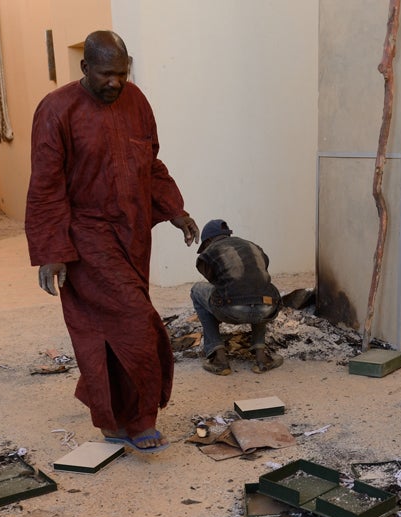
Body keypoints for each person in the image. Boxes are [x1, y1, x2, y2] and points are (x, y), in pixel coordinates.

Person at [25, 30, 199, 454]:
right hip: (86, 236)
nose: (115, 83)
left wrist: (175, 209)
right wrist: (52, 252)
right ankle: (140, 419)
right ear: (85, 68)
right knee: (138, 322)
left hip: (133, 234)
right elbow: (45, 185)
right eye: (106, 74)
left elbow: (150, 161)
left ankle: (112, 416)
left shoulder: (137, 102)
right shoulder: (56, 110)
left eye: (121, 73)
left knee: (108, 329)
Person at [190, 219, 283, 375]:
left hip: (231, 308)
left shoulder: (209, 252)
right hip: (268, 308)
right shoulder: (254, 246)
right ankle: (262, 357)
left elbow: (214, 282)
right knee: (259, 289)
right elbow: (262, 272)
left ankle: (218, 356)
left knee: (196, 290)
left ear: (208, 240)